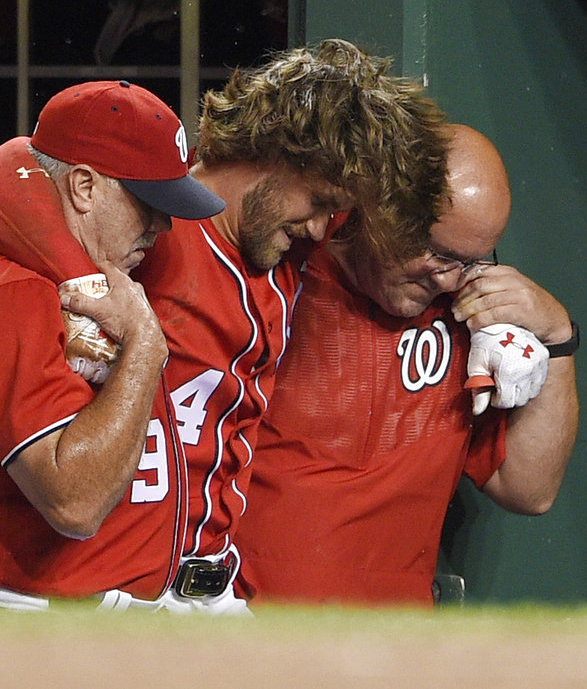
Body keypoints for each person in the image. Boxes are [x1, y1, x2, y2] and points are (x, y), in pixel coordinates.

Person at [123, 39, 451, 612]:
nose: (324, 230)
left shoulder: (286, 249)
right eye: (321, 201)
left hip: (206, 587)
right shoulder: (141, 232)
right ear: (274, 150)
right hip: (109, 582)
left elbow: (423, 235)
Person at [233, 124, 580, 608]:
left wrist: (559, 339)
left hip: (396, 644)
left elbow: (530, 489)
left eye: (472, 261)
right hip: (248, 628)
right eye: (437, 253)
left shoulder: (471, 314)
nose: (448, 278)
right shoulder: (282, 269)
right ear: (381, 211)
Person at [0, 80, 226, 610]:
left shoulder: (52, 265)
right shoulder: (11, 291)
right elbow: (75, 502)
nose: (162, 225)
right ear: (84, 186)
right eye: (146, 201)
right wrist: (145, 347)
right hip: (19, 617)